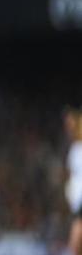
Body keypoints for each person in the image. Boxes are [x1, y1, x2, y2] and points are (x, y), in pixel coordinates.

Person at [65, 106, 82, 255]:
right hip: (76, 205)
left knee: (75, 243)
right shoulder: (75, 149)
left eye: (71, 124)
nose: (69, 129)